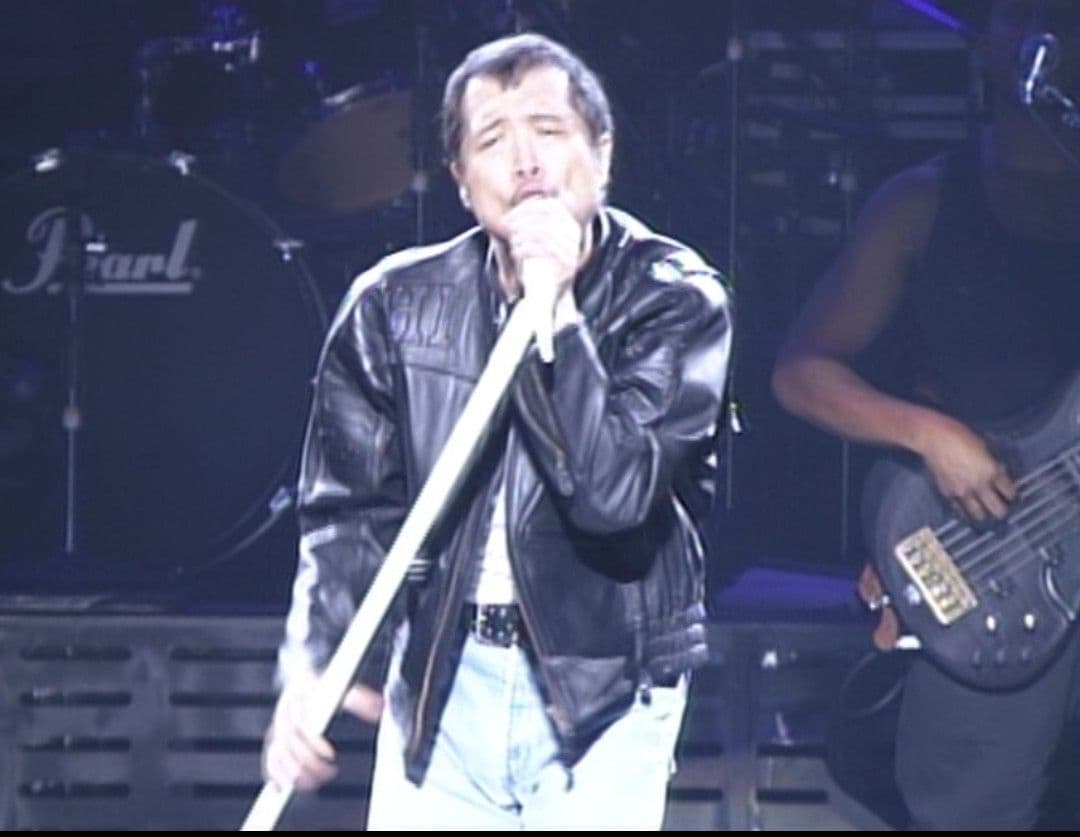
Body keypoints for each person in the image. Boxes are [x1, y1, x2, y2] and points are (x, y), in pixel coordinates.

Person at [261, 32, 733, 830]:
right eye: (492, 140)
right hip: (440, 688)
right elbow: (347, 516)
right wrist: (314, 666)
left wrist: (555, 313)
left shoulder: (675, 299)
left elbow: (614, 497)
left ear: (602, 154)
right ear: (459, 179)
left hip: (604, 695)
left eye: (549, 130)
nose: (526, 162)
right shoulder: (392, 307)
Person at [772, 0, 1080, 829]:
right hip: (996, 557)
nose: (1056, 32)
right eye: (1027, 14)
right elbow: (800, 371)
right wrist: (929, 434)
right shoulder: (925, 201)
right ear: (986, 49)